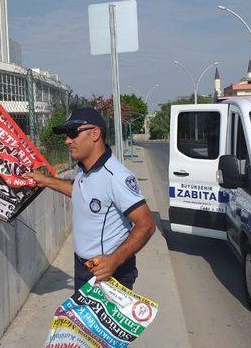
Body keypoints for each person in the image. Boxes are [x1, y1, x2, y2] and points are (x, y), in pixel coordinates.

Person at [23, 108, 155, 293]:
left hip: (109, 273)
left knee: (102, 323)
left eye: (73, 133)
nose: (67, 140)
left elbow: (147, 224)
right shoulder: (84, 169)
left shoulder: (116, 176)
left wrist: (114, 260)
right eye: (66, 135)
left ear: (95, 134)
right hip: (84, 268)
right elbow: (80, 191)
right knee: (81, 322)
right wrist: (46, 181)